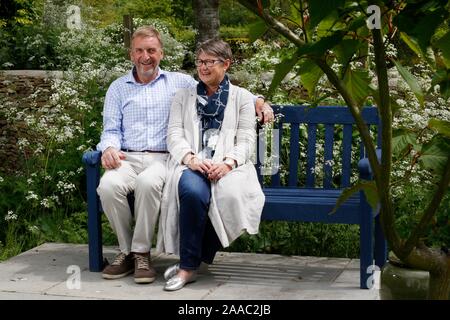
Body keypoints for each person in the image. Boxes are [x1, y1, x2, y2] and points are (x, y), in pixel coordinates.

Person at [96, 26, 273, 284]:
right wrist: (109, 147)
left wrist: (258, 100)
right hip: (131, 158)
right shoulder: (119, 88)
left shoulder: (178, 82)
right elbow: (111, 129)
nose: (146, 56)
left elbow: (225, 89)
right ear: (131, 54)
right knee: (108, 186)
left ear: (161, 53)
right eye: (139, 51)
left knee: (149, 185)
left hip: (162, 159)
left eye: (151, 50)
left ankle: (145, 253)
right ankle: (129, 252)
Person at [157, 39, 265, 291]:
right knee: (193, 193)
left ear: (226, 64)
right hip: (194, 163)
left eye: (209, 62)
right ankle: (188, 267)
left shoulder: (241, 98)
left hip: (230, 166)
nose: (203, 67)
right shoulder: (184, 96)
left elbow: (247, 139)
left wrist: (228, 163)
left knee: (228, 196)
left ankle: (191, 264)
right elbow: (174, 134)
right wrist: (190, 158)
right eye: (200, 62)